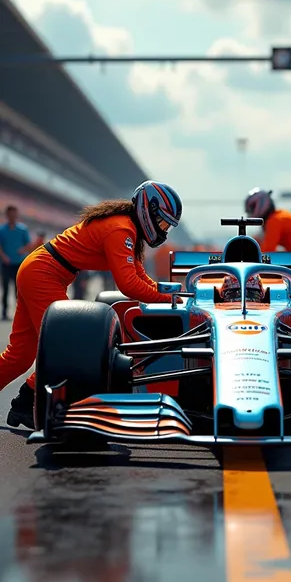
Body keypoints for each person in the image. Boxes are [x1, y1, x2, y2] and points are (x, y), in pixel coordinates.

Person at [0, 180, 183, 429]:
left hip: (39, 270)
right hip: (43, 274)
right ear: (148, 210)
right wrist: (169, 299)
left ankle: (24, 403)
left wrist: (173, 294)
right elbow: (128, 284)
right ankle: (24, 401)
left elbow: (140, 277)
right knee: (67, 345)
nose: (162, 230)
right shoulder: (121, 229)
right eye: (162, 222)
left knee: (19, 356)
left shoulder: (125, 225)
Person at [0, 205, 31, 321]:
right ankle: (4, 312)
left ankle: (19, 314)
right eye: (10, 214)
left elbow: (28, 244)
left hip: (19, 263)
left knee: (18, 290)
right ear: (7, 215)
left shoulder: (22, 229)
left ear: (17, 215)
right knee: (5, 289)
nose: (12, 216)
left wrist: (22, 250)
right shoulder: (2, 230)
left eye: (14, 214)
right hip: (6, 264)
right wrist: (4, 256)